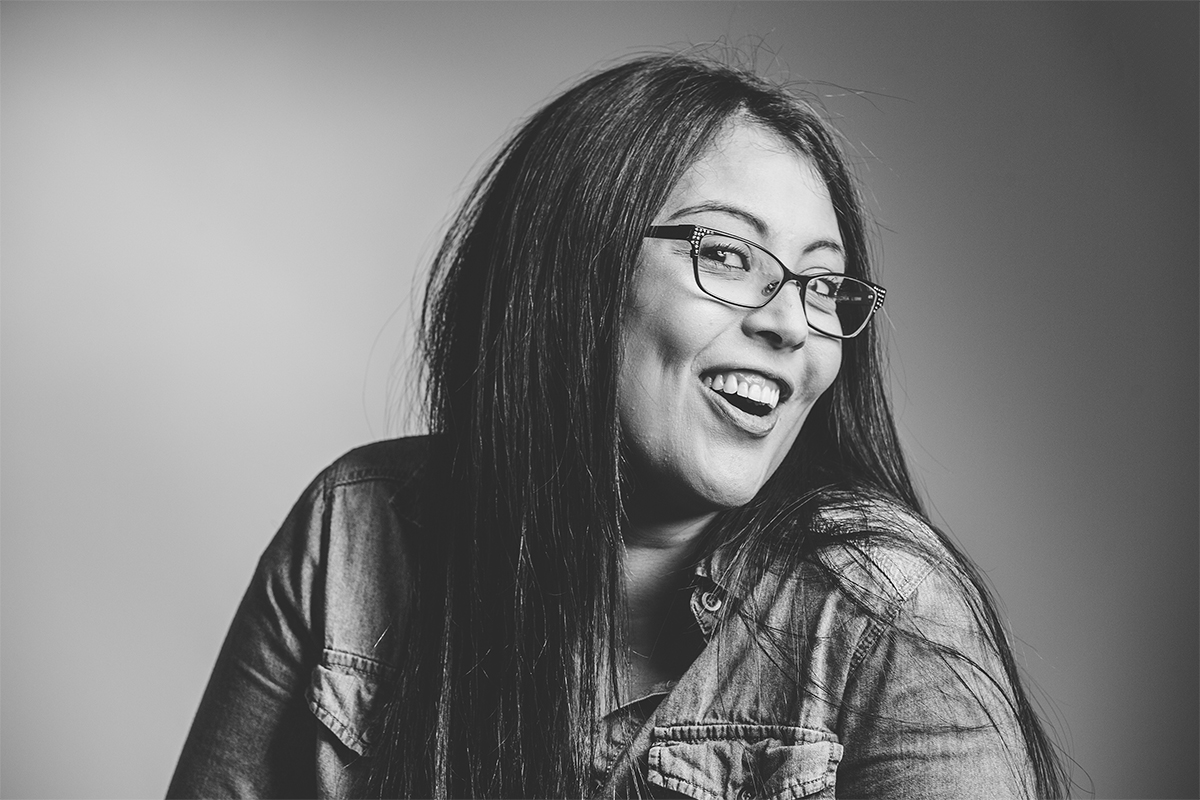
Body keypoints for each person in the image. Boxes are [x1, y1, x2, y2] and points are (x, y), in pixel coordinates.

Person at [168, 53, 1067, 799]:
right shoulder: (355, 531)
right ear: (574, 272)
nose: (792, 323)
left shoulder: (882, 612)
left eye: (822, 285)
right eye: (728, 254)